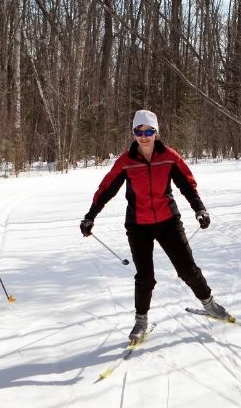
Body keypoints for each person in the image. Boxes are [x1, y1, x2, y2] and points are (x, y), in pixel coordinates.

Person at [80, 110, 229, 344]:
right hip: (138, 225)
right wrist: (91, 216)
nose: (144, 136)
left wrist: (199, 209)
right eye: (138, 131)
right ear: (133, 134)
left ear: (156, 132)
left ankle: (210, 305)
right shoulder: (126, 161)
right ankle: (141, 321)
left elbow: (187, 185)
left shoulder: (169, 156)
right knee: (145, 277)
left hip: (168, 221)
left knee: (187, 269)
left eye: (149, 130)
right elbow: (107, 188)